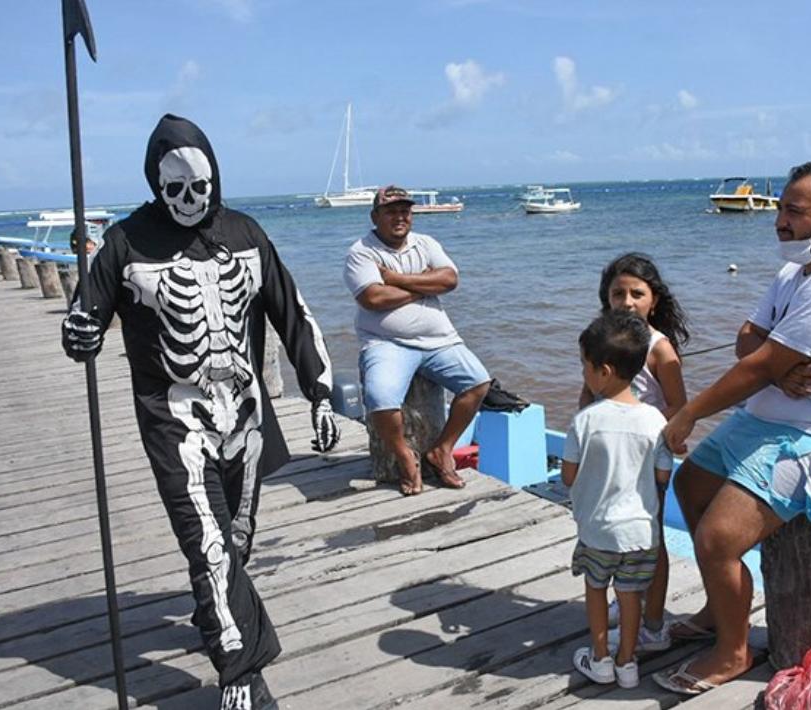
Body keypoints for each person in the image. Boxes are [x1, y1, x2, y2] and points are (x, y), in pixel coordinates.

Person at [61, 114, 339, 710]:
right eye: (175, 189)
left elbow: (293, 312)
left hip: (245, 418)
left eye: (200, 187)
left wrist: (320, 391)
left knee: (235, 540)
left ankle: (215, 613)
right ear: (156, 188)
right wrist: (80, 330)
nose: (190, 200)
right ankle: (241, 672)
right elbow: (87, 313)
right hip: (176, 422)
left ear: (216, 179)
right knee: (206, 541)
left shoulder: (245, 233)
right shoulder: (126, 243)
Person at [652, 159, 811, 696]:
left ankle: (732, 653)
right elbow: (748, 340)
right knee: (691, 486)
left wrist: (690, 411)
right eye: (780, 208)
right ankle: (721, 611)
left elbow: (758, 362)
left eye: (793, 211)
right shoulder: (795, 271)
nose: (779, 221)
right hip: (770, 416)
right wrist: (778, 372)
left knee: (717, 539)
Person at [343, 185, 490, 495]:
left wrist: (395, 279)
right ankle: (405, 456)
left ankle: (441, 450)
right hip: (386, 343)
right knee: (380, 399)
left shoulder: (426, 243)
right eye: (391, 211)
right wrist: (425, 284)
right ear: (375, 216)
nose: (400, 217)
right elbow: (373, 298)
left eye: (405, 211)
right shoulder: (361, 252)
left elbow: (449, 279)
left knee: (478, 383)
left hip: (440, 341)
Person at [578, 253, 689, 652]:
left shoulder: (660, 349)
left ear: (653, 300)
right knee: (607, 529)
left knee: (649, 538)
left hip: (646, 458)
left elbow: (680, 406)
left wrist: (647, 429)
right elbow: (588, 394)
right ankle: (623, 598)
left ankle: (654, 623)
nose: (626, 301)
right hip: (605, 457)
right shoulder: (599, 340)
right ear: (605, 298)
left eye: (636, 293)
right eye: (617, 293)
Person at [562, 310, 674, 689]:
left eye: (584, 366)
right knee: (630, 597)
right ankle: (628, 664)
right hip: (642, 533)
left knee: (596, 591)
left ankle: (600, 660)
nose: (583, 374)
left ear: (604, 371)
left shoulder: (584, 420)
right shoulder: (656, 420)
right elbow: (663, 474)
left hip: (598, 532)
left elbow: (568, 476)